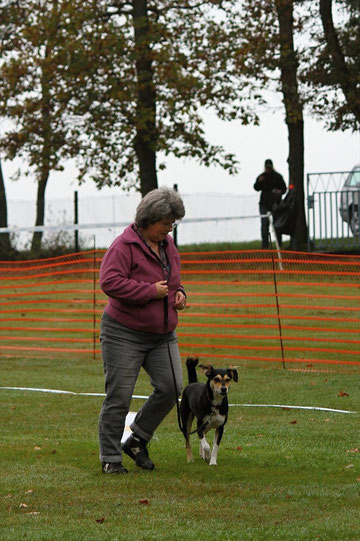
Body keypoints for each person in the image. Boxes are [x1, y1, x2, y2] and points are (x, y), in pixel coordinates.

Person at [98, 186, 186, 474]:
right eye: (166, 223)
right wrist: (149, 291)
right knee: (119, 397)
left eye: (172, 224)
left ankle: (137, 439)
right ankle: (111, 458)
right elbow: (109, 282)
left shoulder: (168, 245)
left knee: (171, 388)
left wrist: (179, 292)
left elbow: (172, 277)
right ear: (150, 219)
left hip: (161, 334)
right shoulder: (123, 246)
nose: (169, 229)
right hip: (123, 332)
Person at [253, 159, 287, 248]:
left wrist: (279, 192)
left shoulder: (278, 177)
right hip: (264, 204)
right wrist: (259, 181)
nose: (268, 169)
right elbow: (256, 188)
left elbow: (284, 189)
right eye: (267, 167)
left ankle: (278, 244)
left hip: (276, 204)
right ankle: (265, 246)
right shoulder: (262, 177)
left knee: (277, 225)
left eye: (269, 167)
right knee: (264, 225)